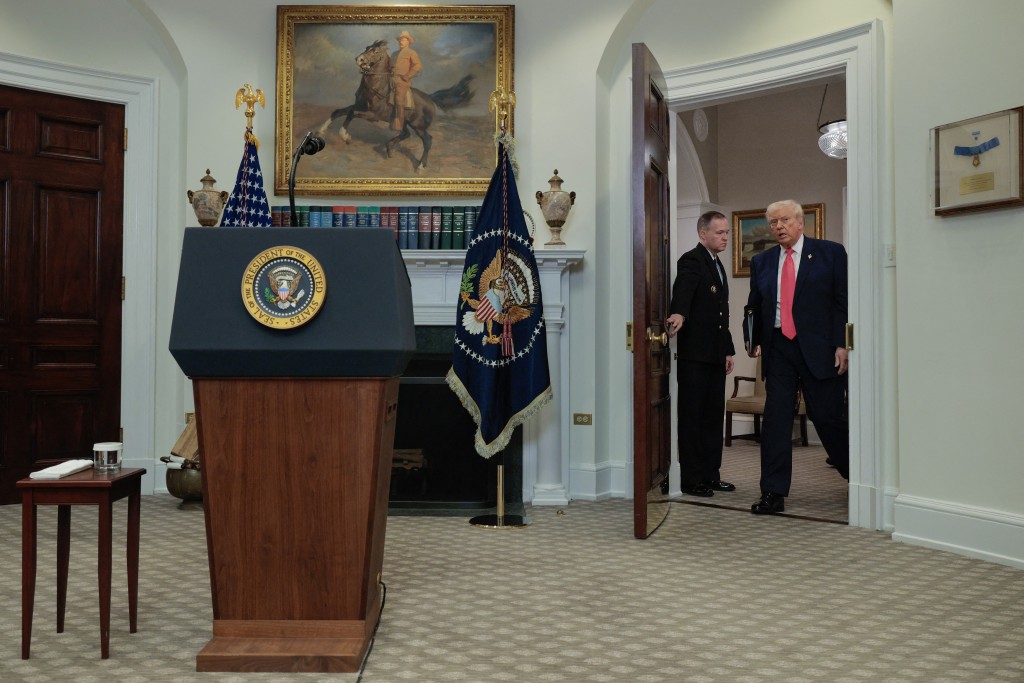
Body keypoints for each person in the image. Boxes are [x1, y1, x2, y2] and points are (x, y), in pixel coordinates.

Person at [744, 199, 849, 515]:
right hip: (779, 349)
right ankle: (772, 492)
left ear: (801, 223)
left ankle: (856, 476)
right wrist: (753, 338)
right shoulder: (762, 262)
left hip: (819, 348)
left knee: (828, 417)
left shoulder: (830, 253)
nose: (778, 227)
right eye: (773, 222)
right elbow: (754, 306)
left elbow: (842, 303)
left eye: (784, 220)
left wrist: (842, 344)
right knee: (776, 421)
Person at [667, 211, 736, 497]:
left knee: (712, 417)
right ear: (702, 234)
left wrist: (729, 350)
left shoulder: (717, 265)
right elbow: (684, 289)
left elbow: (722, 313)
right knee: (693, 417)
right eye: (719, 232)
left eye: (727, 233)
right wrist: (679, 311)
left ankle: (711, 474)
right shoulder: (692, 260)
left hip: (716, 355)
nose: (724, 237)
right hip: (695, 356)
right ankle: (691, 479)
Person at [390, 30, 422, 131]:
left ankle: (399, 123)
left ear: (408, 41)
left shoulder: (411, 52)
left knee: (399, 100)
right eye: (400, 40)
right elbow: (390, 66)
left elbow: (418, 65)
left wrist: (408, 76)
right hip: (391, 79)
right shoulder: (394, 54)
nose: (401, 42)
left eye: (403, 40)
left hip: (402, 81)